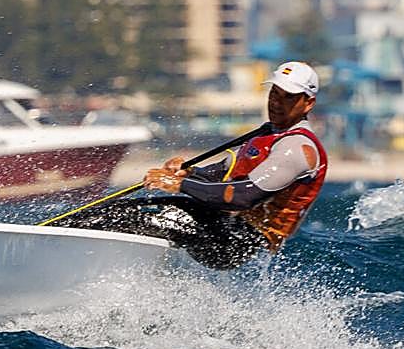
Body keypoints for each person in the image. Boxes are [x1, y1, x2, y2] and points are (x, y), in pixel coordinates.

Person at [54, 61, 328, 269]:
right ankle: (54, 237)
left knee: (136, 219)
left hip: (237, 241)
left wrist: (181, 184)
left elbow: (243, 196)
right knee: (118, 209)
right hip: (219, 221)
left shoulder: (297, 148)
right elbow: (225, 172)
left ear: (308, 103)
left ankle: (60, 255)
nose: (277, 103)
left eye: (288, 97)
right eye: (275, 93)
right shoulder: (270, 133)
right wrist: (191, 172)